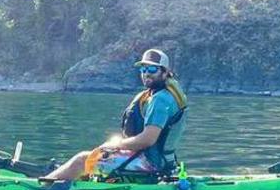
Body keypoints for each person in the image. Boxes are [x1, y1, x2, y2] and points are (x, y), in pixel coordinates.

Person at [44, 48, 188, 183]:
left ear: (165, 72)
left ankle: (42, 186)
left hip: (150, 163)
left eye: (152, 69)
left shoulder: (160, 100)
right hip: (164, 162)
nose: (146, 73)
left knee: (82, 160)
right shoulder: (164, 94)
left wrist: (115, 144)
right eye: (143, 69)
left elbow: (148, 140)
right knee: (95, 157)